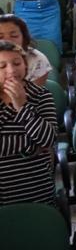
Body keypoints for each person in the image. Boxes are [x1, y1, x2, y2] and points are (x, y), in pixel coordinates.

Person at [0, 40, 59, 206]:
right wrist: (31, 147)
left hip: (35, 186)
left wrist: (22, 106)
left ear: (25, 65)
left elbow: (48, 139)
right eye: (2, 66)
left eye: (17, 63)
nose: (11, 70)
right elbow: (39, 143)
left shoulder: (41, 95)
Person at [0, 16, 53, 87]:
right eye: (0, 37)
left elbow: (35, 92)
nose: (7, 41)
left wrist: (19, 93)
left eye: (14, 36)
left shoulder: (38, 60)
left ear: (24, 37)